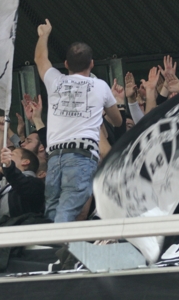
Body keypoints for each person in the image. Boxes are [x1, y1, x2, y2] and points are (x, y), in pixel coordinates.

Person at [34, 19, 122, 223]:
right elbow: (117, 121)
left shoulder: (55, 80)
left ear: (65, 64)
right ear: (92, 63)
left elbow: (40, 58)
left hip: (55, 157)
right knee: (66, 213)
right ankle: (58, 252)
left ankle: (52, 251)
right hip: (81, 156)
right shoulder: (101, 86)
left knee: (52, 211)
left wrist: (44, 35)